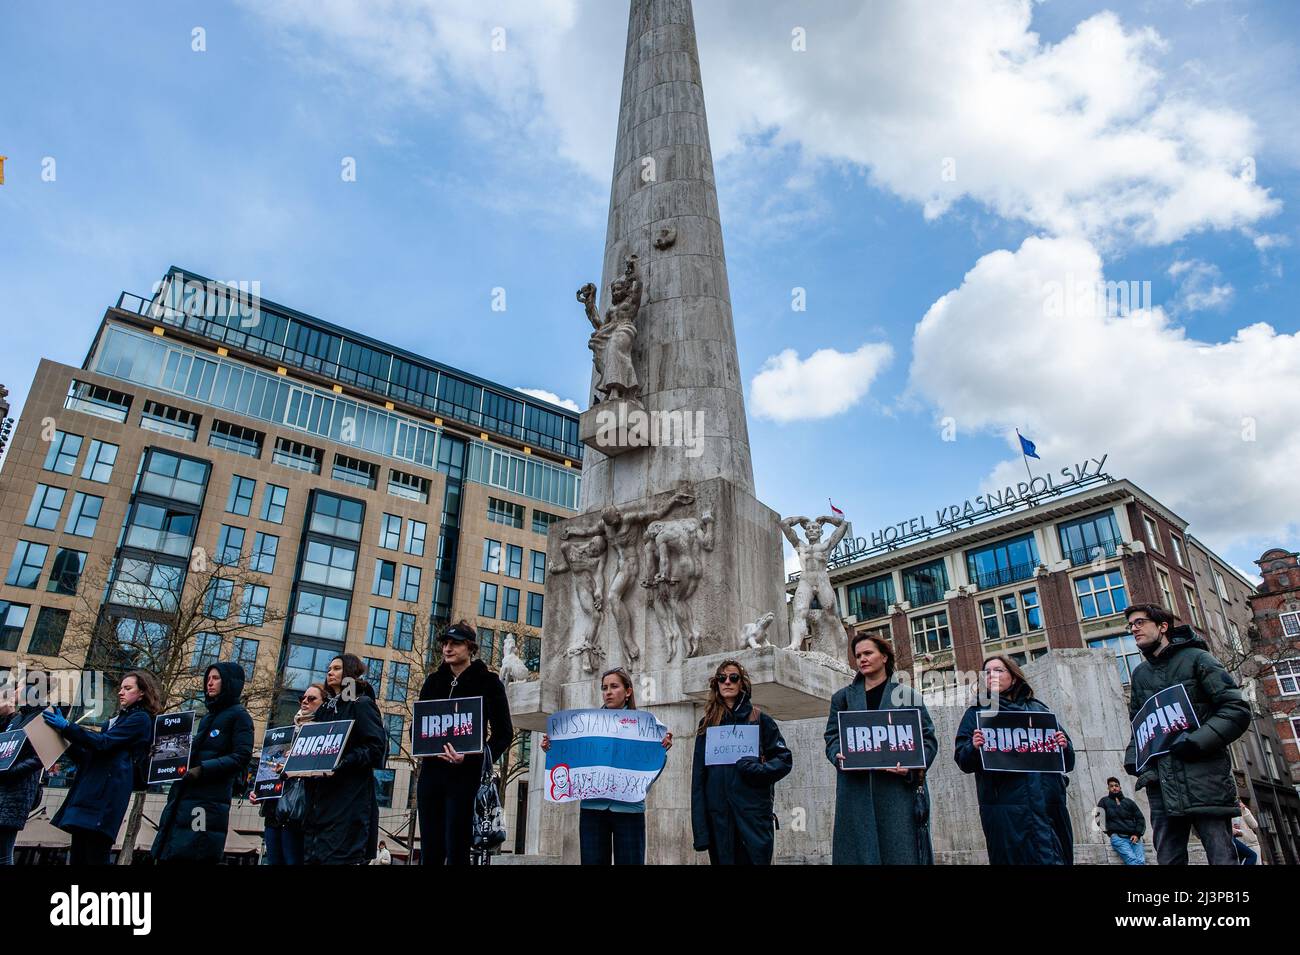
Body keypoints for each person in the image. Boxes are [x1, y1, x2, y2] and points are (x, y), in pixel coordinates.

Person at [1122, 605, 1250, 865]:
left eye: (1140, 622)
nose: (1134, 628)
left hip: (1205, 777)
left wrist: (1197, 741)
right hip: (1161, 783)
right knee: (1168, 860)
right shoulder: (1140, 674)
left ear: (1163, 626)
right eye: (1130, 625)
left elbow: (1236, 709)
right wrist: (1135, 760)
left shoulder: (1198, 659)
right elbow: (1139, 724)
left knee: (1222, 857)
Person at [540, 667, 673, 865]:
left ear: (628, 691)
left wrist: (661, 751)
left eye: (614, 686)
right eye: (604, 688)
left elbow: (652, 771)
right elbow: (572, 760)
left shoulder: (647, 725)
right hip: (593, 808)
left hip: (629, 808)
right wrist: (553, 749)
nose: (608, 692)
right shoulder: (584, 723)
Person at [824, 632, 937, 864]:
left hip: (896, 794)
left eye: (868, 653)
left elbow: (928, 740)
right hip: (856, 793)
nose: (862, 659)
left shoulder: (907, 696)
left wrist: (911, 767)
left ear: (884, 657)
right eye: (858, 656)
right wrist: (837, 755)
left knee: (900, 855)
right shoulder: (842, 698)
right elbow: (831, 737)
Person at [954, 655, 1076, 865]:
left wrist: (1063, 745)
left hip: (1048, 807)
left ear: (1015, 677)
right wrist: (973, 747)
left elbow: (1068, 762)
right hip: (1005, 811)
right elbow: (962, 760)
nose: (991, 675)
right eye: (987, 672)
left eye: (998, 670)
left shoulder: (1039, 710)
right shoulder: (976, 713)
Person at [416, 620, 513, 865]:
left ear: (470, 648)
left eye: (455, 643)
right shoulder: (432, 682)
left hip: (465, 779)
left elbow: (503, 733)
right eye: (445, 643)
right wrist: (426, 747)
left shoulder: (489, 682)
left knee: (458, 848)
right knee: (431, 849)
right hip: (431, 776)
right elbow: (415, 730)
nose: (448, 648)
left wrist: (474, 758)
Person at [47, 670, 161, 865]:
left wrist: (68, 728)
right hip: (91, 795)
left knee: (93, 854)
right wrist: (64, 739)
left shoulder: (141, 719)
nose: (120, 692)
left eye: (128, 688)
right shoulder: (116, 721)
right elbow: (90, 756)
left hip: (104, 798)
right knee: (79, 855)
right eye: (121, 688)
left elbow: (103, 743)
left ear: (142, 693)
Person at [691, 659, 792, 865]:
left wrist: (760, 769)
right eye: (722, 678)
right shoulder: (707, 724)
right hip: (719, 820)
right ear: (716, 684)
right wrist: (701, 831)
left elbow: (784, 759)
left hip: (753, 818)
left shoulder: (760, 720)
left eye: (733, 677)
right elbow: (698, 779)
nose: (727, 682)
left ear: (742, 684)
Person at [152, 662, 254, 864]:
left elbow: (242, 756)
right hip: (185, 796)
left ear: (230, 683)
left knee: (195, 850)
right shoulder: (208, 717)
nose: (209, 683)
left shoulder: (240, 716)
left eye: (216, 678)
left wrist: (203, 770)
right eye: (208, 679)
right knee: (174, 850)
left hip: (208, 803)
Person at [303, 655, 385, 865]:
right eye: (329, 668)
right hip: (319, 804)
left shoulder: (362, 704)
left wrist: (343, 761)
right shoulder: (324, 710)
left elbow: (376, 748)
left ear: (350, 672)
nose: (330, 672)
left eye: (337, 668)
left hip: (349, 803)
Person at [258, 682, 324, 865]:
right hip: (274, 812)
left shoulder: (322, 734)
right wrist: (260, 791)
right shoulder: (285, 732)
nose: (305, 702)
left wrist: (295, 762)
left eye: (311, 699)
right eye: (302, 698)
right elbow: (269, 768)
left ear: (323, 703)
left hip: (299, 814)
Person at [0, 688, 45, 865]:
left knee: (3, 855)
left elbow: (41, 756)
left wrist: (11, 771)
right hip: (5, 791)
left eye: (20, 687)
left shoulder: (40, 717)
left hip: (16, 793)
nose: (15, 691)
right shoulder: (15, 720)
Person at [1096, 777, 1146, 865]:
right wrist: (1110, 833)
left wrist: (1137, 834)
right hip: (1118, 838)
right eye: (1111, 786)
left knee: (1141, 862)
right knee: (1132, 861)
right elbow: (1098, 818)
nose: (1114, 788)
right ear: (1108, 788)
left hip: (1134, 838)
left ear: (1120, 787)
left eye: (1116, 785)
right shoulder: (1104, 801)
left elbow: (1140, 818)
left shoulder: (1129, 802)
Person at [1233, 797, 1261, 865]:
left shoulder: (1245, 811)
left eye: (1239, 802)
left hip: (1252, 843)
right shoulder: (1229, 813)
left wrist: (1244, 810)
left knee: (1257, 863)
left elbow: (1254, 825)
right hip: (1240, 845)